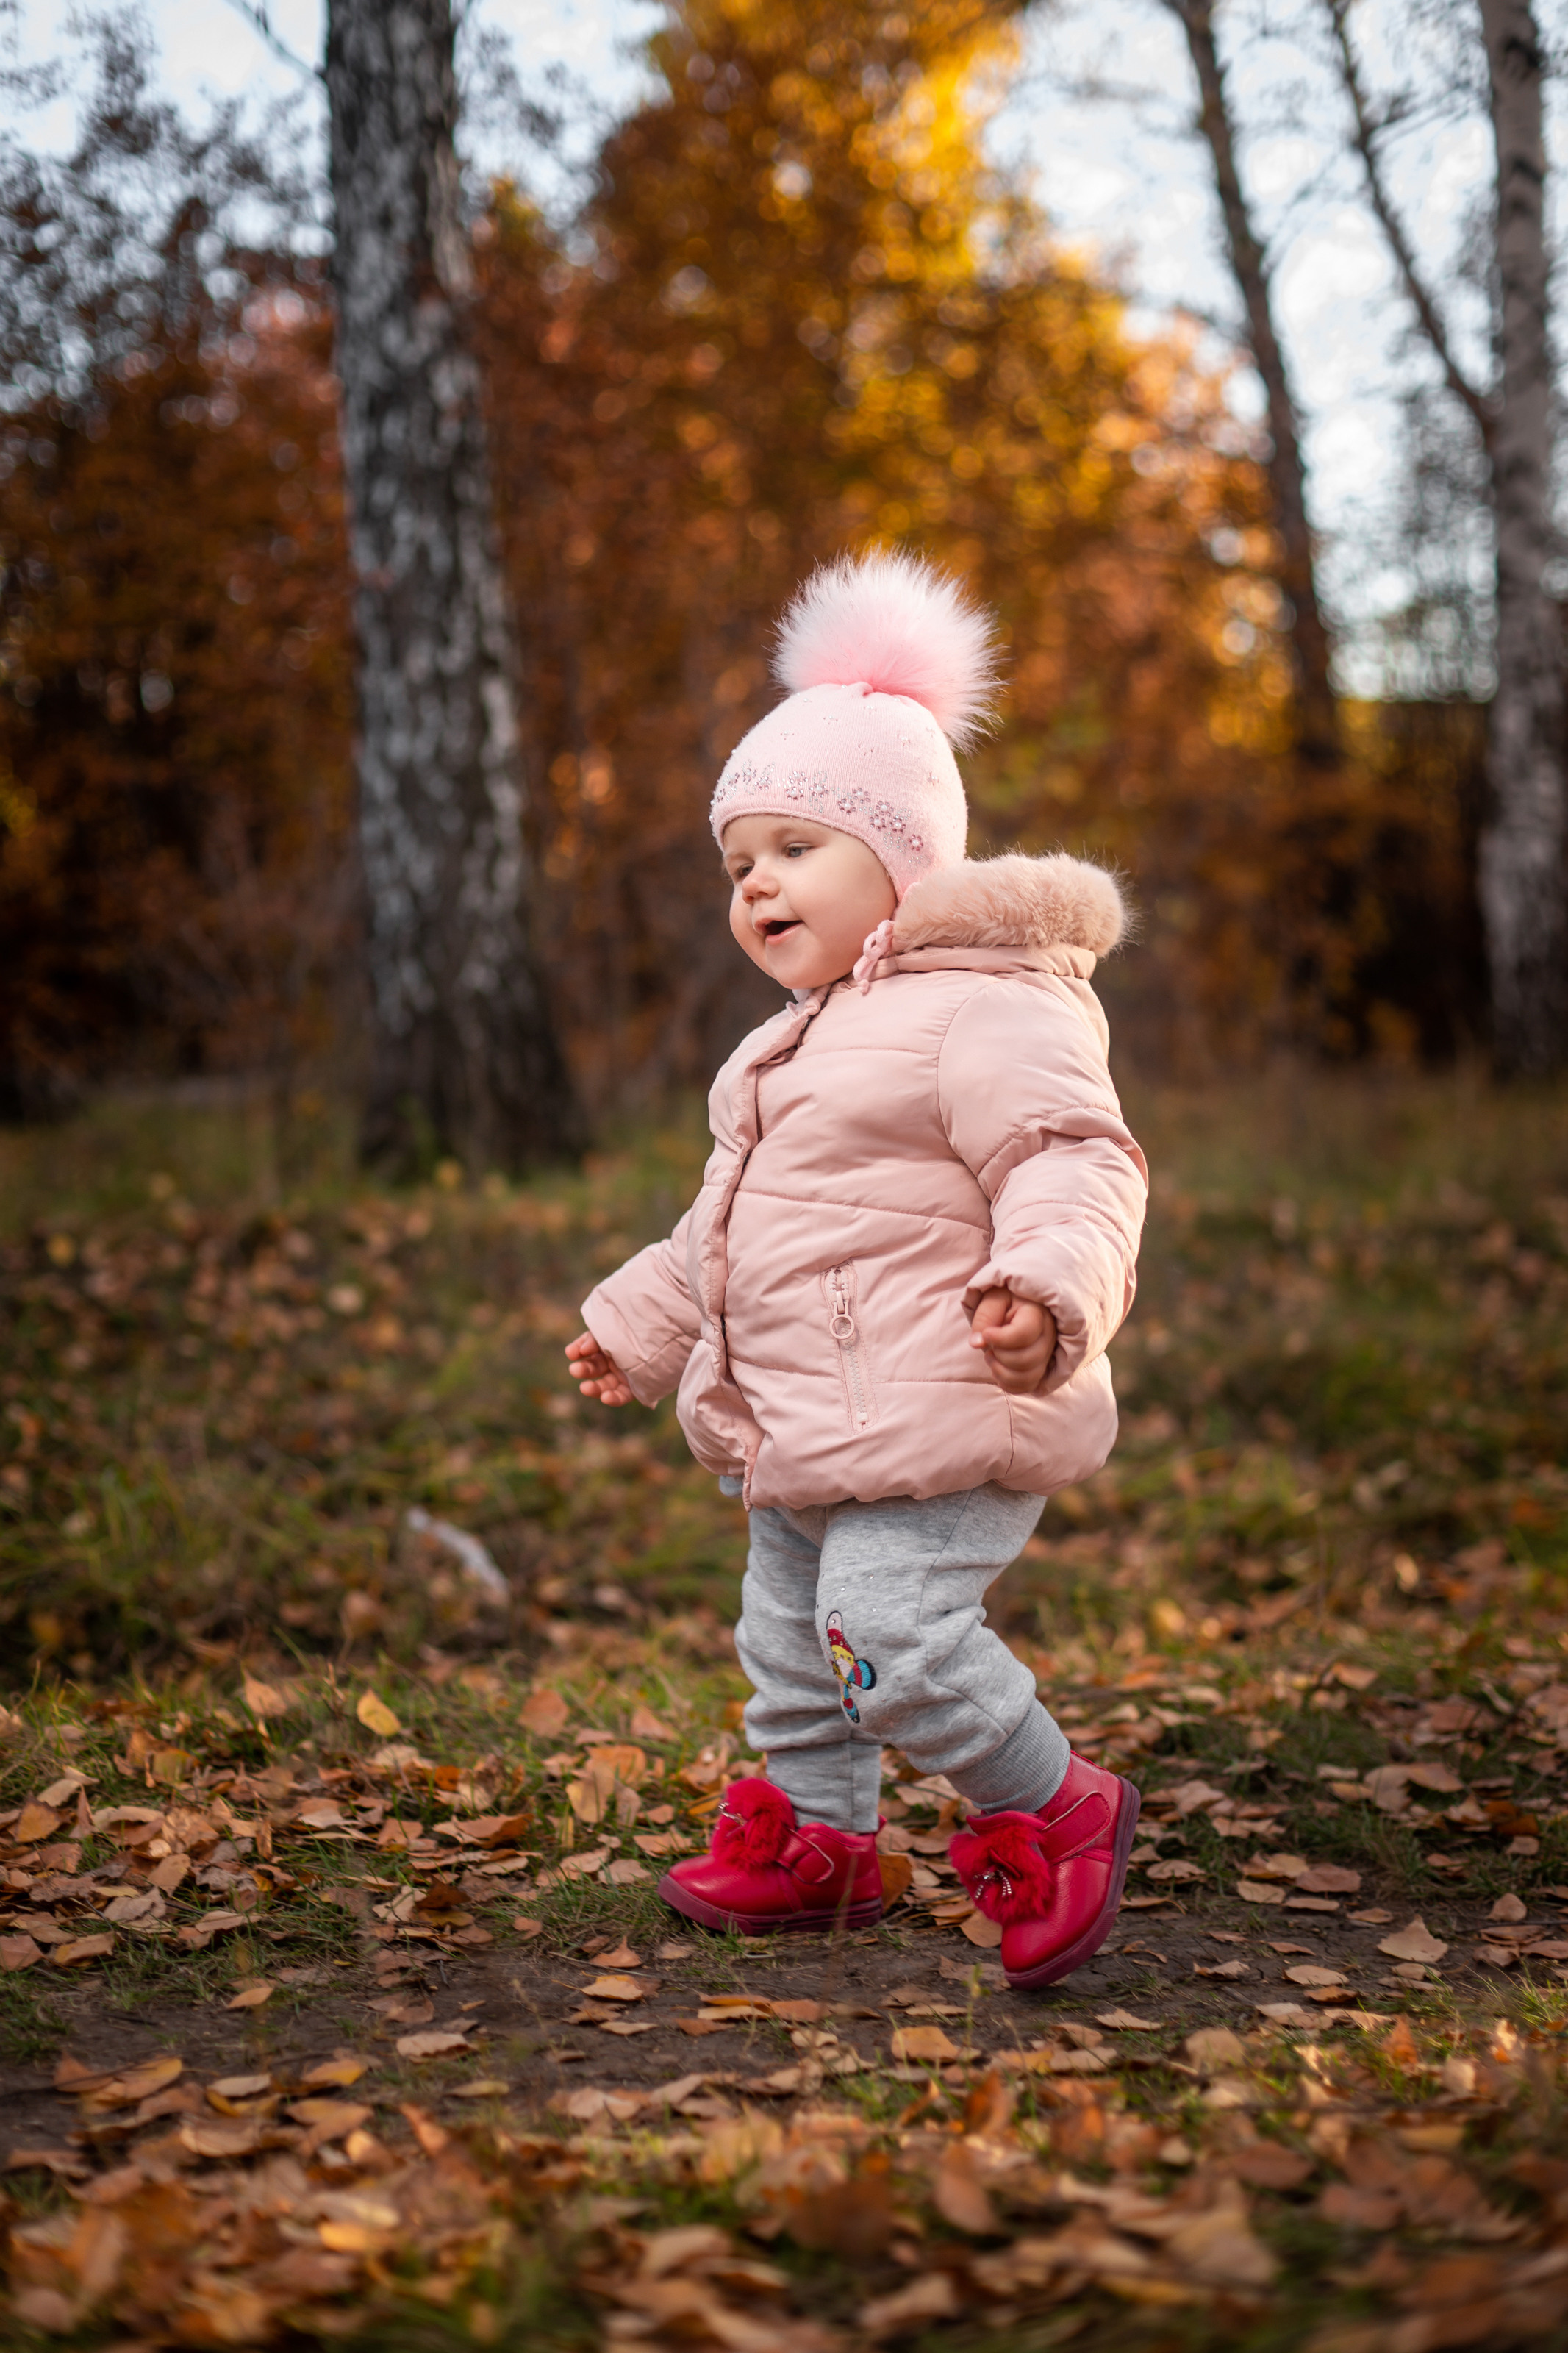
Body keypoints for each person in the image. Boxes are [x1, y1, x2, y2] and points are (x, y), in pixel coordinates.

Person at [564, 550, 1148, 1990]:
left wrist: (1048, 1292)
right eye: (738, 862)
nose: (758, 880)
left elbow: (1073, 1160)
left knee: (885, 1633)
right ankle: (820, 1842)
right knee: (787, 1647)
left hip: (946, 1399)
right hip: (800, 1415)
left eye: (794, 846)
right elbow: (726, 1226)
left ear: (903, 861)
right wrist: (639, 1324)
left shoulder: (988, 1006)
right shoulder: (778, 1047)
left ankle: (1053, 1804)